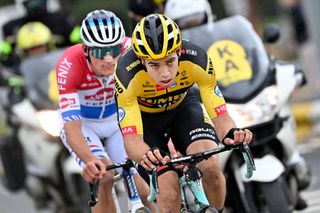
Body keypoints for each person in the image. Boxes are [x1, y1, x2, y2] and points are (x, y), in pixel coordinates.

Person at [164, 0, 310, 210]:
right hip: (211, 104)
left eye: (196, 19)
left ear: (207, 15)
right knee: (202, 166)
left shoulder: (229, 35)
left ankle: (293, 160)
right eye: (185, 24)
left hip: (240, 95)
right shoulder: (177, 56)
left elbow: (254, 56)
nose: (193, 26)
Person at [114, 13, 253, 212]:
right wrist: (146, 155)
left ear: (179, 52)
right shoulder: (126, 74)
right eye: (154, 64)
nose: (165, 73)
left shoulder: (198, 59)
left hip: (183, 109)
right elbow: (132, 139)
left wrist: (232, 134)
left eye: (170, 61)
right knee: (168, 192)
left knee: (211, 167)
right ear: (142, 61)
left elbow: (221, 116)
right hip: (146, 123)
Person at [55, 10, 153, 213]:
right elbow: (72, 127)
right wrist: (90, 160)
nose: (109, 58)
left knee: (143, 187)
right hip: (84, 125)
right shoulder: (69, 64)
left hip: (117, 121)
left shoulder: (131, 50)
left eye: (114, 49)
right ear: (86, 49)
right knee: (104, 176)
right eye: (100, 52)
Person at [1, 0, 79, 68]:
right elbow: (4, 54)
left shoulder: (62, 20)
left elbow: (79, 42)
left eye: (40, 47)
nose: (37, 52)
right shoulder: (11, 28)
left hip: (61, 69)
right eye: (31, 49)